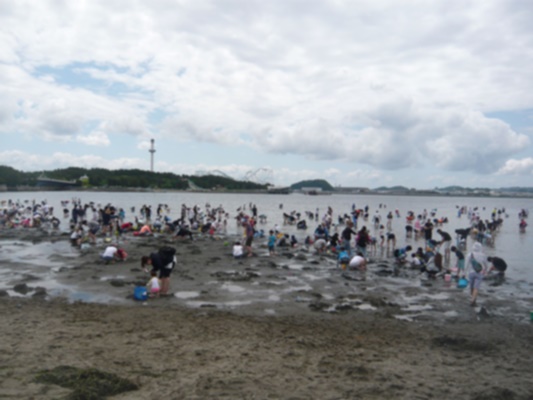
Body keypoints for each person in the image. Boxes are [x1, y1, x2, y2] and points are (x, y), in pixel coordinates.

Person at [465, 242, 488, 306]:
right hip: (479, 273)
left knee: (471, 287)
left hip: (471, 273)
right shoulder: (483, 255)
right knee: (476, 288)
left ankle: (472, 298)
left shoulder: (470, 254)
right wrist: (485, 271)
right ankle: (473, 300)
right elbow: (486, 265)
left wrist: (464, 273)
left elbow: (466, 265)